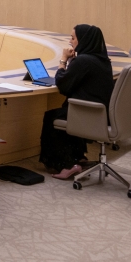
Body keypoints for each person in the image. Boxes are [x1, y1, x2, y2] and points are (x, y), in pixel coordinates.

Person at [39, 25, 115, 179]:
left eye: (73, 38)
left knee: (52, 117)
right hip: (102, 113)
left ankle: (66, 165)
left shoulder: (83, 61)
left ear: (84, 40)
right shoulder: (103, 60)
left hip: (89, 114)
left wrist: (64, 60)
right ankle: (78, 157)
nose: (70, 41)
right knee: (64, 112)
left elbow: (63, 85)